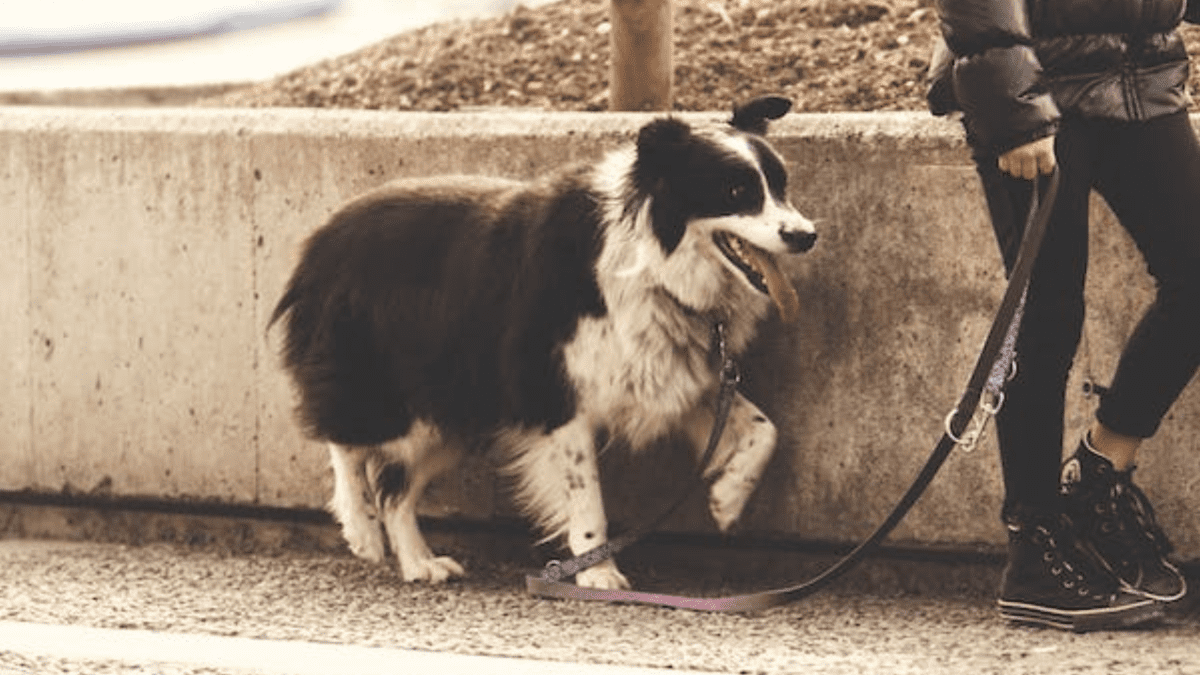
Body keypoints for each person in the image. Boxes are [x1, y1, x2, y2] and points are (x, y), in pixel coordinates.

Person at [928, 0, 1200, 631]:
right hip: (1039, 88)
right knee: (1046, 313)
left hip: (1145, 80)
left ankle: (1101, 472)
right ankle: (1034, 546)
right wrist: (1014, 111)